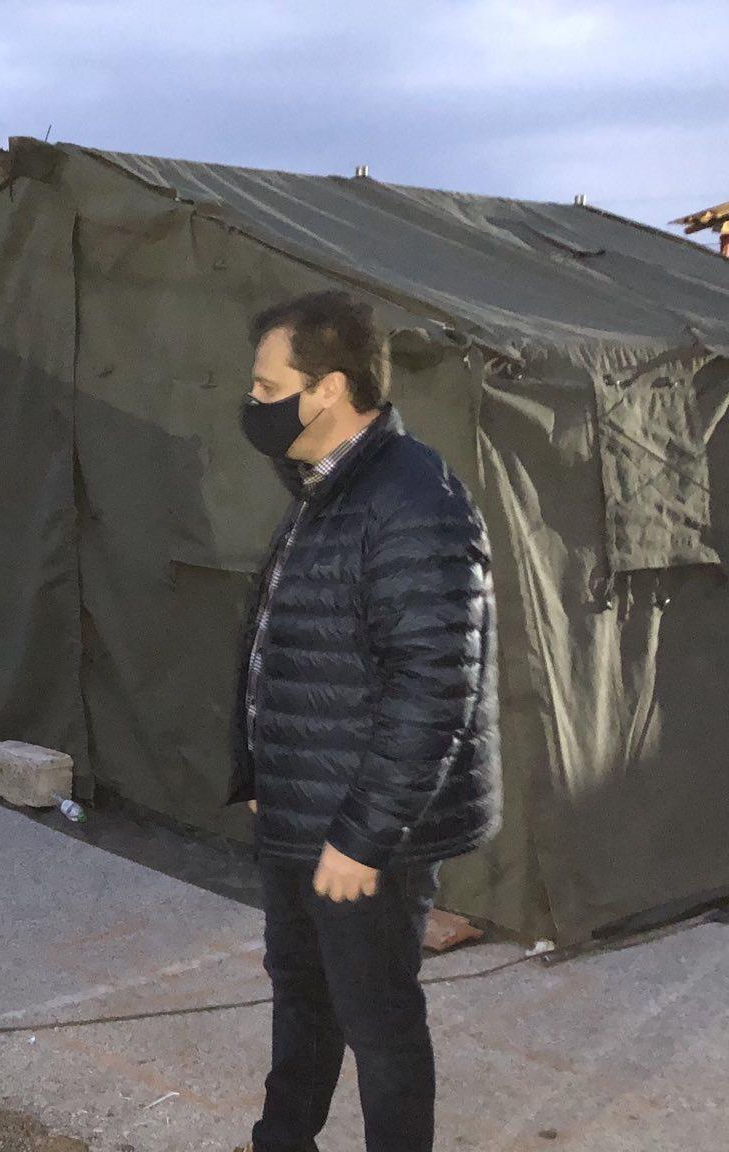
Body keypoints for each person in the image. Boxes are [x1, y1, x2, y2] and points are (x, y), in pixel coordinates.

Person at [227, 292, 501, 1152]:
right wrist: (263, 775)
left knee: (378, 1022)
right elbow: (285, 645)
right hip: (303, 808)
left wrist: (362, 838)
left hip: (361, 830)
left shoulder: (413, 499)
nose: (251, 401)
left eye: (267, 386)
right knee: (301, 994)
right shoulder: (325, 489)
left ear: (330, 389)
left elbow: (435, 689)